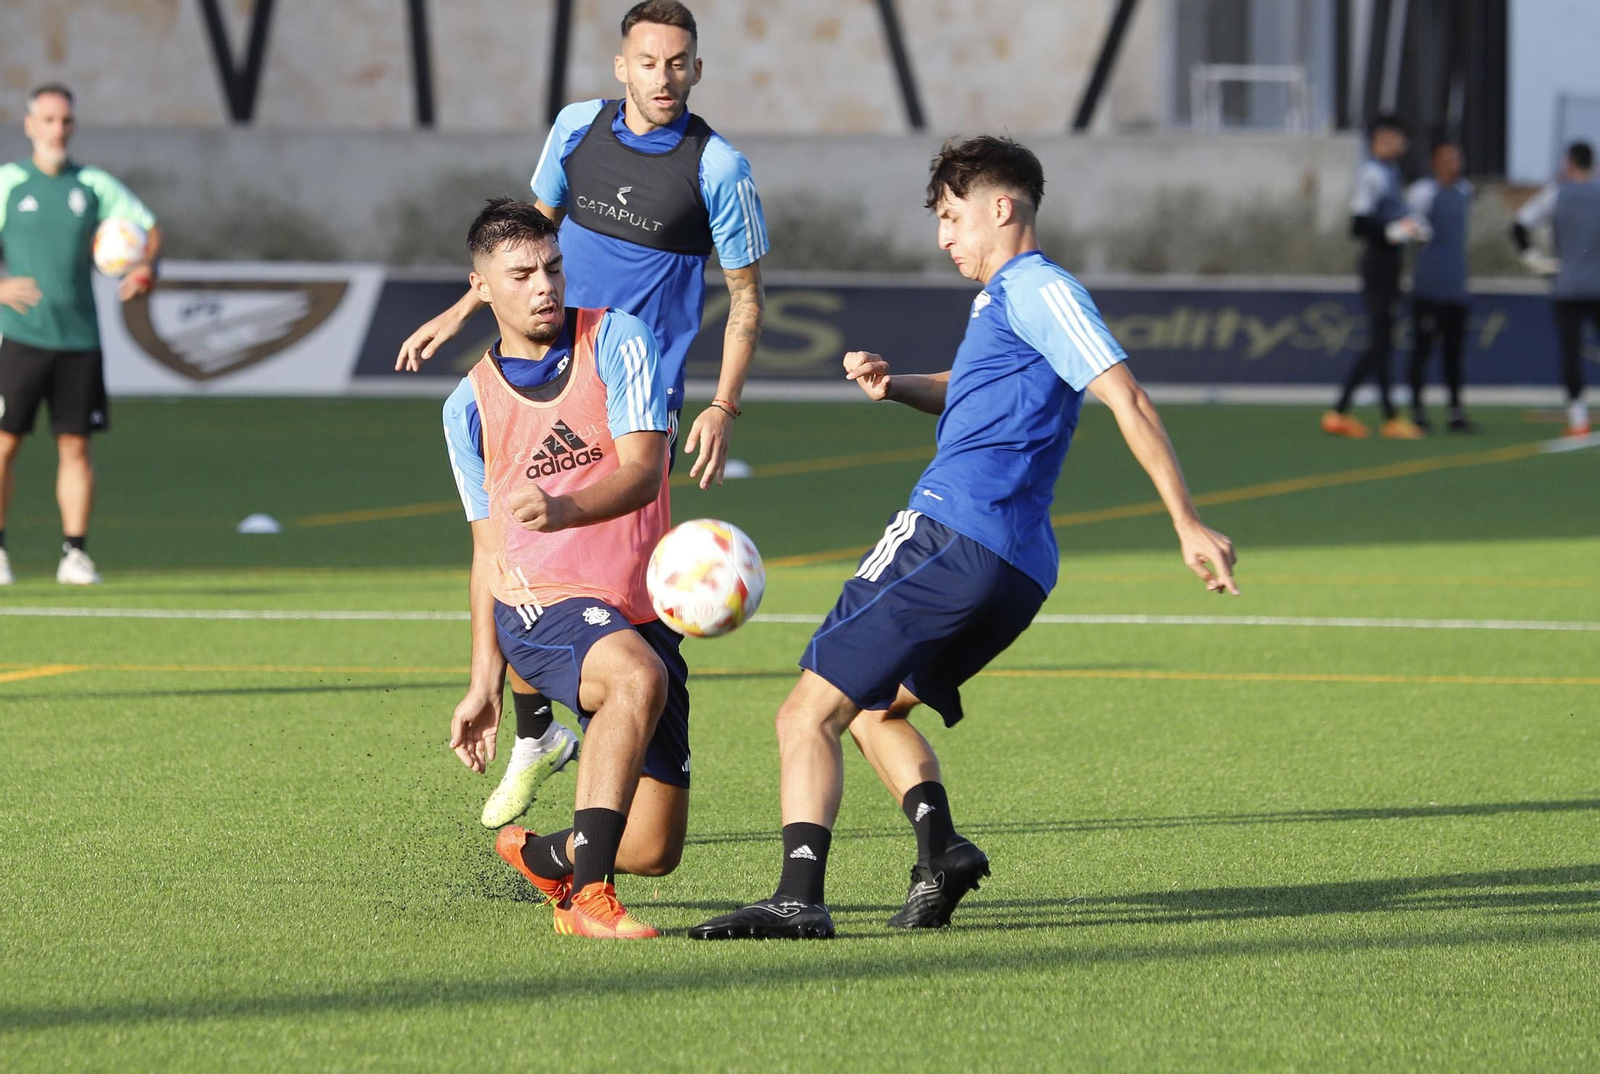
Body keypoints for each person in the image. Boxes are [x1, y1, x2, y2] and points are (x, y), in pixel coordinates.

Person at [687, 136, 1238, 941]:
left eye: (952, 217)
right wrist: (897, 385)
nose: (944, 237)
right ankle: (940, 852)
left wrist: (1186, 522)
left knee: (804, 713)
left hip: (950, 533)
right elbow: (974, 389)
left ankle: (796, 899)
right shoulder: (1007, 302)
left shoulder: (1039, 288)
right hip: (1016, 568)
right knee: (877, 707)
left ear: (1002, 208)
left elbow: (1129, 398)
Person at [397, 1, 768, 826]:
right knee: (517, 547)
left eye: (678, 63)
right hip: (540, 376)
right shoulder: (574, 130)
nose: (663, 77)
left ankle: (603, 741)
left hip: (635, 398)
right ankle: (538, 732)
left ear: (697, 70)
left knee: (614, 592)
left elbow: (745, 300)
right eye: (648, 61)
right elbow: (522, 240)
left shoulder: (720, 170)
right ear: (620, 65)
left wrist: (723, 404)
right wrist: (458, 316)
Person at [443, 198, 690, 940]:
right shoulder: (468, 405)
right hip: (539, 601)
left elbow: (645, 471)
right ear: (482, 286)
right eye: (520, 274)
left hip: (641, 606)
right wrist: (483, 678)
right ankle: (589, 904)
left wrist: (563, 505)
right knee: (634, 678)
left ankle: (546, 856)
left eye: (552, 267)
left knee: (652, 848)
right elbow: (488, 549)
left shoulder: (618, 338)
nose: (544, 285)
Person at [0, 83, 160, 586]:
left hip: (79, 340)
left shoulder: (92, 184)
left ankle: (74, 554)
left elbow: (147, 228)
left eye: (65, 121)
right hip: (20, 337)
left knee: (75, 446)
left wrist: (144, 268)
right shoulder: (8, 183)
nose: (57, 129)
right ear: (29, 125)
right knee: (4, 446)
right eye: (47, 120)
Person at [1323, 115, 1426, 441]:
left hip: (1390, 262)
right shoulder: (1371, 174)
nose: (1403, 144)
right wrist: (1395, 231)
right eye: (1397, 137)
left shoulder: (1390, 172)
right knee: (1381, 340)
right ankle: (1345, 410)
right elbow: (1359, 225)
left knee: (1383, 341)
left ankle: (1382, 415)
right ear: (1381, 139)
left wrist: (1410, 227)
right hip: (1378, 264)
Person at [1512, 140, 1599, 438]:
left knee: (1571, 353)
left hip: (1567, 285)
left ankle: (1578, 419)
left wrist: (1536, 261)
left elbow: (1519, 226)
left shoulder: (1555, 193)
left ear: (1568, 163)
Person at [1404, 138, 1474, 432]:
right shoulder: (1422, 192)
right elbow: (1409, 226)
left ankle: (1456, 412)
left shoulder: (1465, 192)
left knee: (1454, 354)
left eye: (1456, 159)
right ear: (1435, 163)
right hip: (1428, 288)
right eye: (1446, 159)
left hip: (1456, 289)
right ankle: (1417, 410)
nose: (1452, 165)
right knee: (1422, 351)